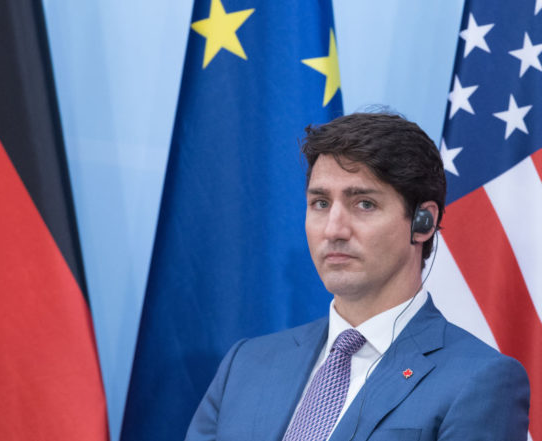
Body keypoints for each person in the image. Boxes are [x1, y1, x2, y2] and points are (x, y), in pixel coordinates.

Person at [184, 112, 530, 441]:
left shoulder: (479, 380)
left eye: (364, 204)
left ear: (423, 222)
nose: (333, 230)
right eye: (321, 203)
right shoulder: (245, 364)